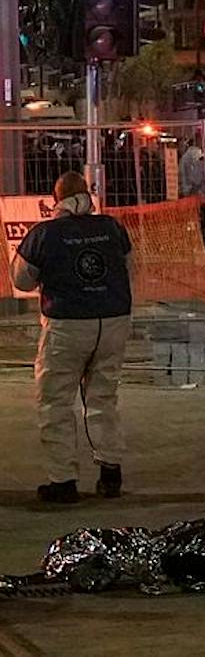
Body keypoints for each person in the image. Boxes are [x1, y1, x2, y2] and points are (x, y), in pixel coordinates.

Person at [12, 172, 135, 504]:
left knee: (55, 401)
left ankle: (63, 480)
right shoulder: (112, 227)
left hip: (67, 324)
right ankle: (111, 473)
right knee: (103, 397)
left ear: (56, 200)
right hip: (113, 320)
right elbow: (128, 266)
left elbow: (22, 280)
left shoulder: (44, 234)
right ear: (87, 195)